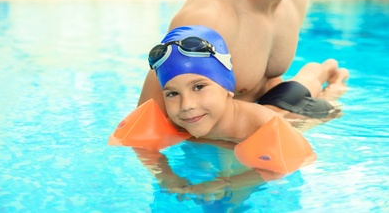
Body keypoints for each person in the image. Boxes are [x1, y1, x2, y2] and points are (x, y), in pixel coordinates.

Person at [138, 0, 324, 117]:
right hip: (209, 152)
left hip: (254, 137)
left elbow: (264, 79)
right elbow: (144, 129)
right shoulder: (208, 18)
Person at [148, 25, 348, 142]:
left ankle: (335, 77)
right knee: (306, 79)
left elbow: (295, 160)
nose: (186, 105)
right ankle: (325, 68)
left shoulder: (261, 128)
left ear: (227, 86)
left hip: (299, 114)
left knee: (327, 94)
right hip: (275, 100)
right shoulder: (184, 120)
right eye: (172, 93)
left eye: (198, 87)